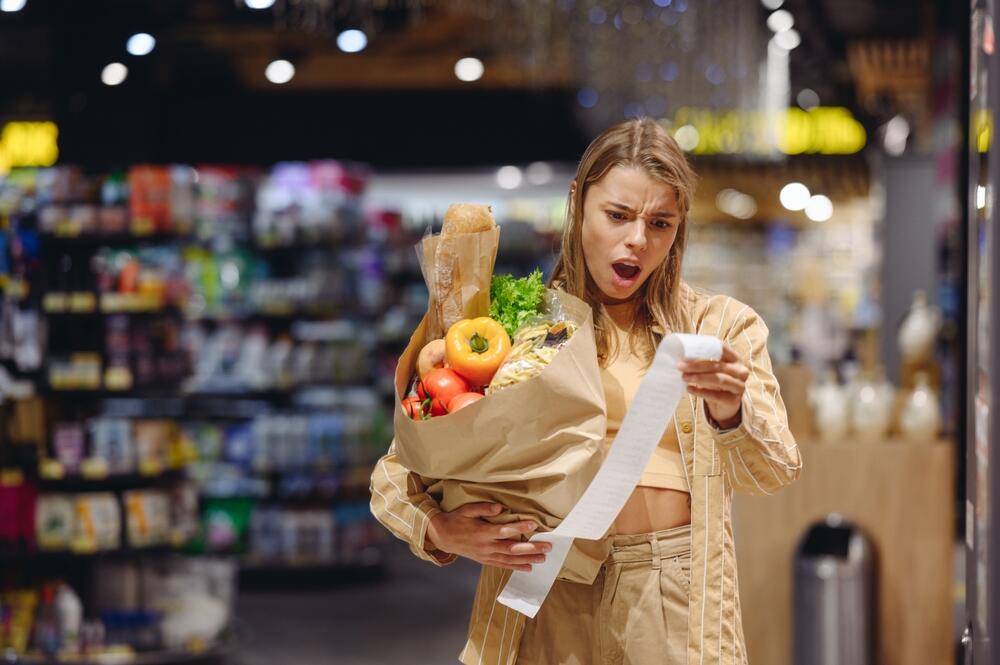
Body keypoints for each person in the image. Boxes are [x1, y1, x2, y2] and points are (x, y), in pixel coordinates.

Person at [370, 118, 802, 665]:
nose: (638, 240)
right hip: (540, 586)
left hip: (669, 595)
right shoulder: (510, 324)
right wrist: (436, 529)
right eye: (617, 216)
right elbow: (394, 472)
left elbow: (777, 468)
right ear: (578, 203)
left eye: (661, 223)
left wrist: (730, 410)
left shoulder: (719, 329)